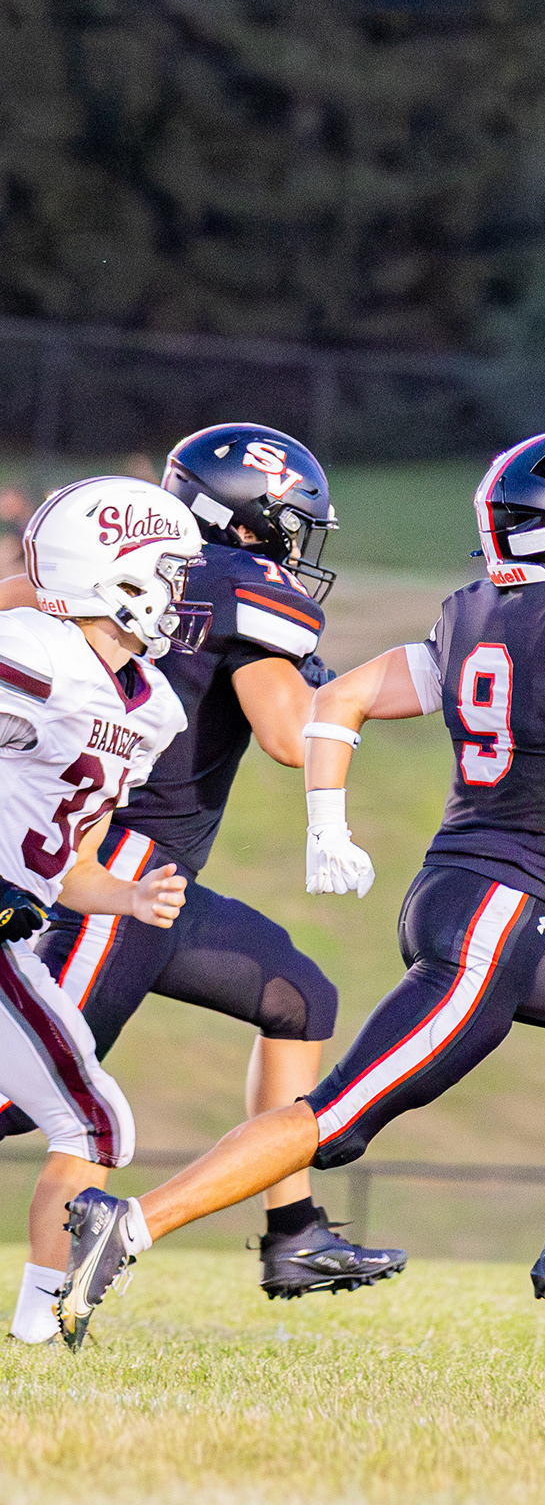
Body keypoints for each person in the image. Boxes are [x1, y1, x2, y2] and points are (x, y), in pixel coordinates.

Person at [55, 431, 545, 1347]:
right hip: (492, 921)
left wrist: (329, 822)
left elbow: (344, 698)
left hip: (466, 901)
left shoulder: (479, 618)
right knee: (337, 1119)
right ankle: (130, 1225)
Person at [0, 426, 401, 1311]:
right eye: (292, 525)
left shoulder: (112, 567)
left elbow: (15, 598)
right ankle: (48, 1305)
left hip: (153, 877)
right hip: (114, 867)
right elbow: (291, 737)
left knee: (298, 997)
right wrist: (355, 694)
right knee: (37, 1100)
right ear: (254, 520)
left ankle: (294, 1233)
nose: (298, 545)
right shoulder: (249, 585)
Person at [0, 477, 197, 1344]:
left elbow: (68, 862)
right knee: (91, 1119)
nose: (181, 594)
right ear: (119, 577)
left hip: (13, 931)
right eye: (171, 573)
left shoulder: (150, 707)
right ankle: (41, 1325)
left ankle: (39, 1326)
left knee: (93, 1122)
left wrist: (126, 895)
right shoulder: (32, 653)